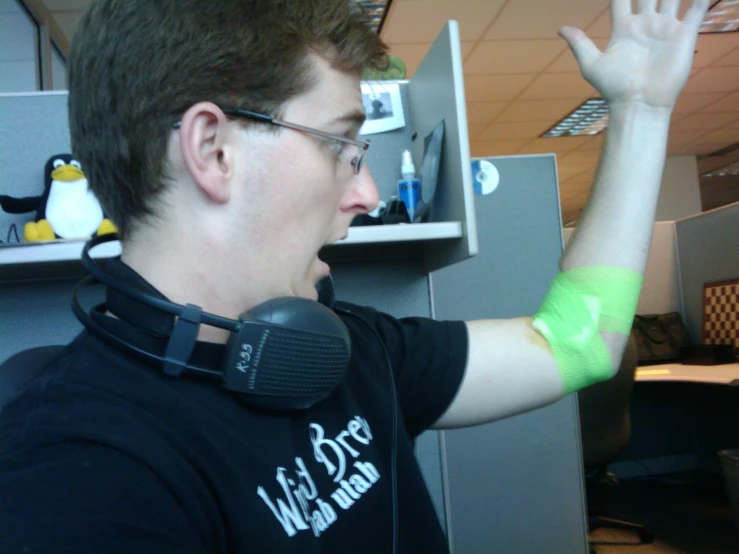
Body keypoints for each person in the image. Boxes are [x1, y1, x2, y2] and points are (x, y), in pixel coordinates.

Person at [0, 0, 709, 552]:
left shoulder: (347, 350)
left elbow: (578, 342)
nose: (366, 193)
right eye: (341, 144)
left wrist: (640, 113)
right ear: (213, 150)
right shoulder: (74, 472)